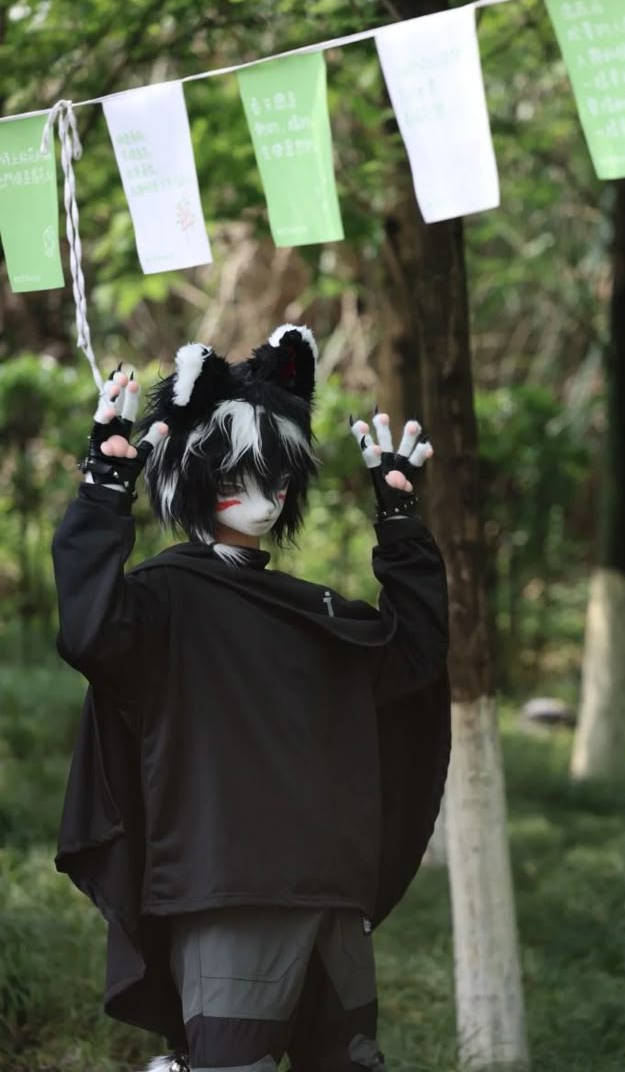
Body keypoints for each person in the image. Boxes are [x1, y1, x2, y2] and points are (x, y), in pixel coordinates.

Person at [52, 326, 450, 1072]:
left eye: (280, 478)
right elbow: (90, 632)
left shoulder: (317, 611)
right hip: (228, 889)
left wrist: (401, 528)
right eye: (242, 476)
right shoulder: (164, 601)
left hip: (333, 894)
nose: (268, 499)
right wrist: (104, 493)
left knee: (350, 1060)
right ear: (194, 476)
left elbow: (413, 661)